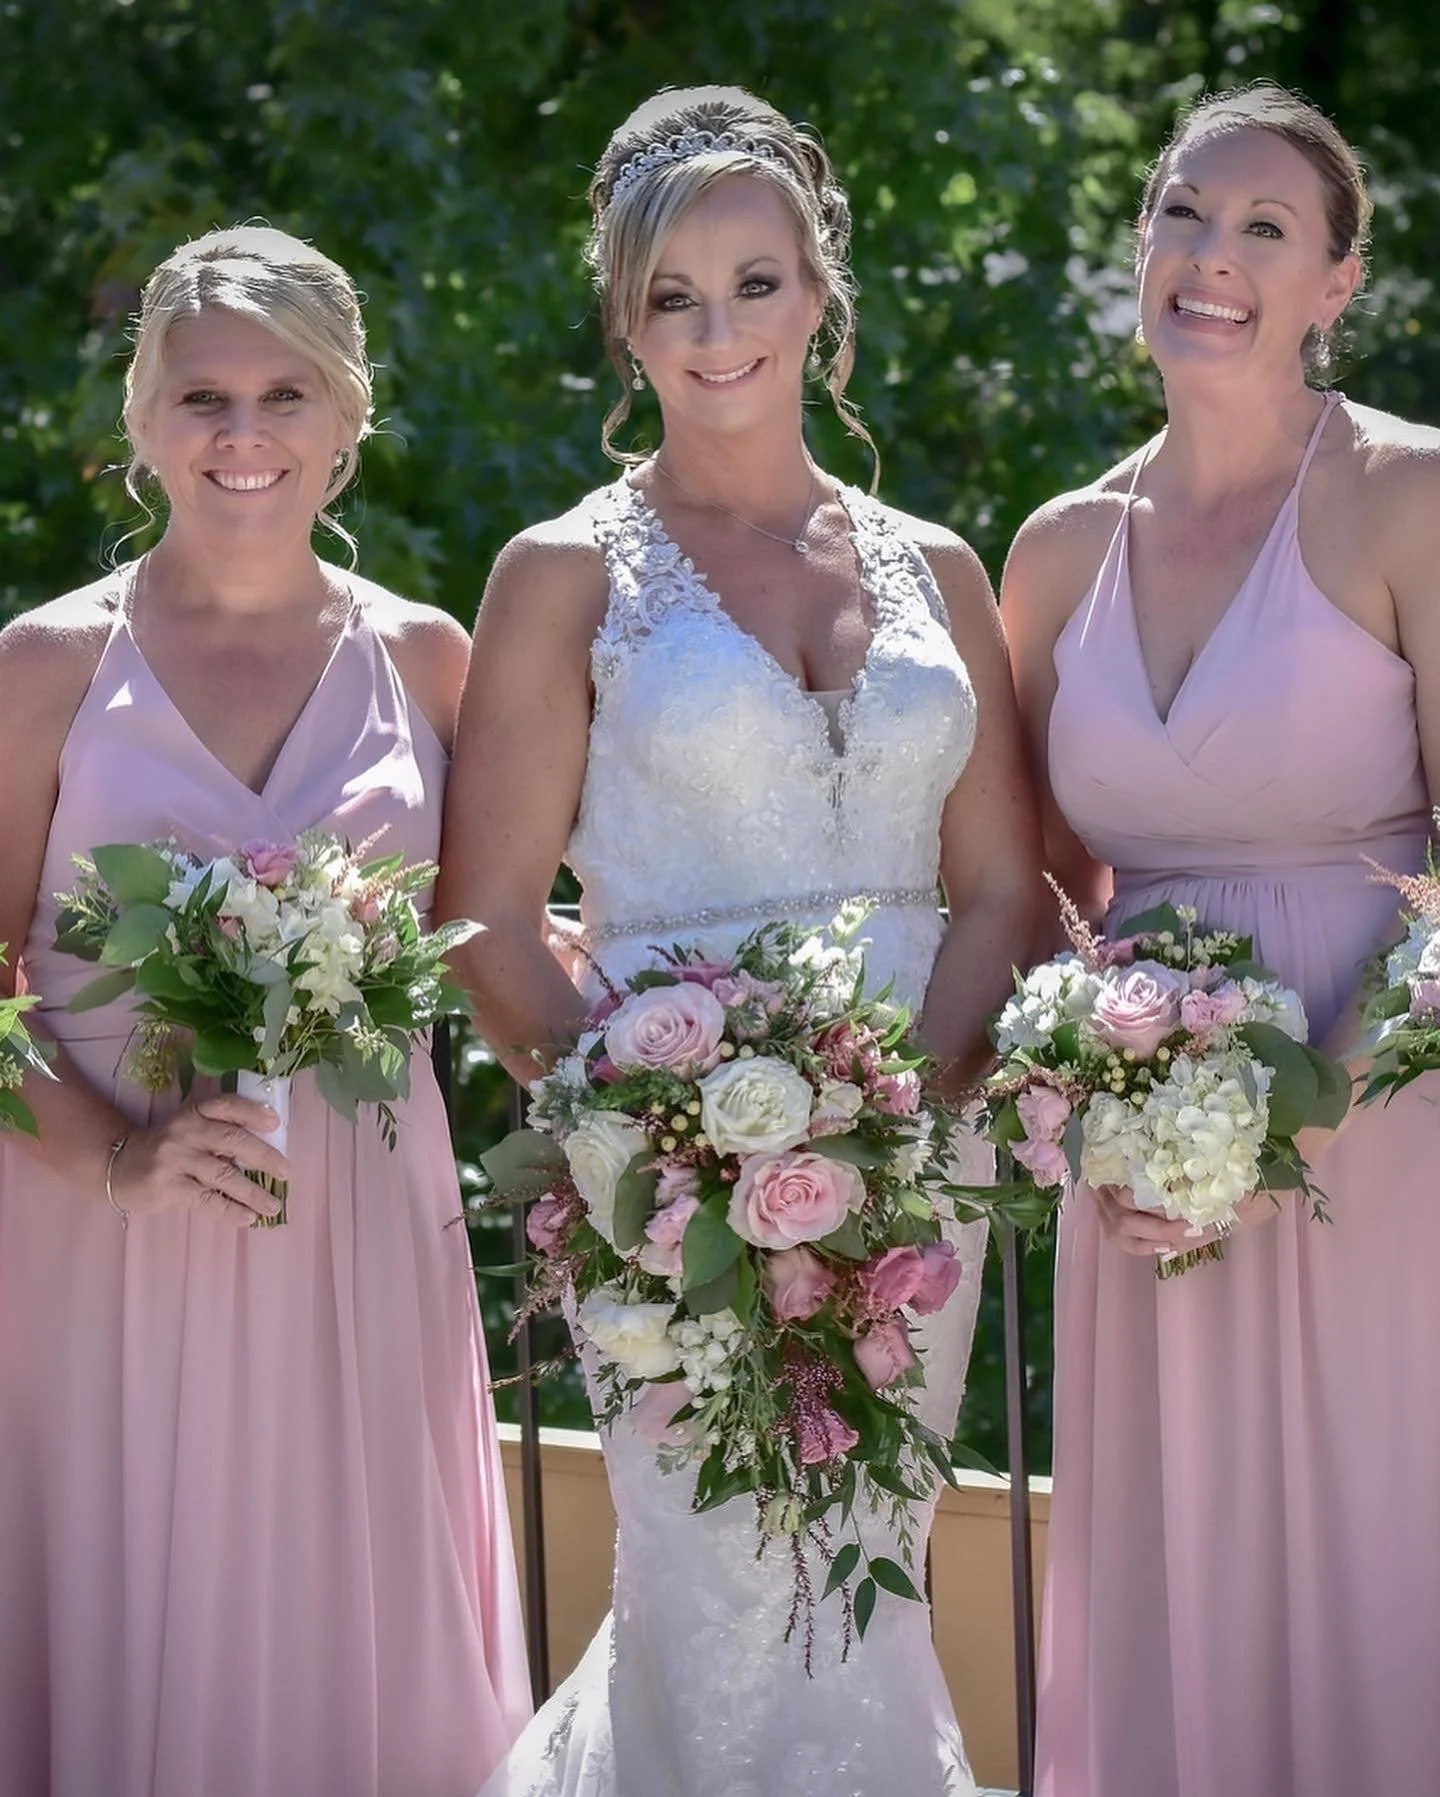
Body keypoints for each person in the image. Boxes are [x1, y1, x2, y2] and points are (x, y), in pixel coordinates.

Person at [438, 84, 1041, 1797]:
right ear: (625, 323)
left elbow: (1003, 884)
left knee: (867, 1567)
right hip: (671, 1193)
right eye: (673, 297)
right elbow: (484, 918)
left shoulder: (939, 567)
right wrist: (650, 1165)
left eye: (755, 283)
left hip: (920, 1183)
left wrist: (905, 1133)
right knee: (714, 1582)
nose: (719, 333)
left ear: (821, 288)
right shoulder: (566, 573)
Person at [0, 226, 530, 1797]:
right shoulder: (44, 666)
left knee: (357, 1610)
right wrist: (112, 1157)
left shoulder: (431, 661)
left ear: (349, 414)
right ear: (143, 418)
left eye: (284, 394)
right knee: (123, 1610)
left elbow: (506, 934)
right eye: (203, 397)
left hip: (362, 1224)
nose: (244, 434)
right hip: (100, 1228)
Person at [1004, 82, 1440, 1797]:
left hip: (1383, 1118)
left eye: (1266, 227)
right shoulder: (1056, 550)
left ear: (1338, 281)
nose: (1214, 256)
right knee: (1170, 1567)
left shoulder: (1408, 496)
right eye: (1185, 214)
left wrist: (1299, 1117)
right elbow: (1040, 891)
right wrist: (1098, 1090)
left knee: (1376, 1539)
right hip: (1145, 1160)